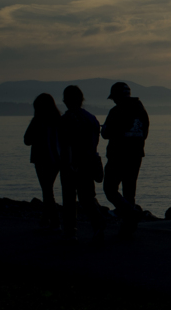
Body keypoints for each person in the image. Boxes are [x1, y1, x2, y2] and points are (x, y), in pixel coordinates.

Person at [59, 85, 106, 243]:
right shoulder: (91, 118)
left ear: (66, 100)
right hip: (90, 161)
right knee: (87, 197)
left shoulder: (67, 119)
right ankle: (98, 224)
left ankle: (70, 231)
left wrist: (69, 163)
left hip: (72, 164)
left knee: (69, 199)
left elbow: (66, 144)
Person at [101, 82, 149, 237]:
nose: (113, 101)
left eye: (114, 98)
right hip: (136, 155)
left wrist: (106, 129)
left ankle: (131, 212)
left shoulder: (116, 111)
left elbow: (106, 133)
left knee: (110, 189)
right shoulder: (141, 110)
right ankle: (129, 227)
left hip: (117, 155)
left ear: (117, 97)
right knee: (129, 191)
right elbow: (145, 133)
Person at [24, 93, 61, 231]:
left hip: (41, 158)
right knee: (48, 189)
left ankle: (54, 221)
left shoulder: (37, 121)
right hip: (56, 159)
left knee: (47, 190)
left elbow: (27, 140)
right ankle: (45, 219)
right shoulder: (59, 120)